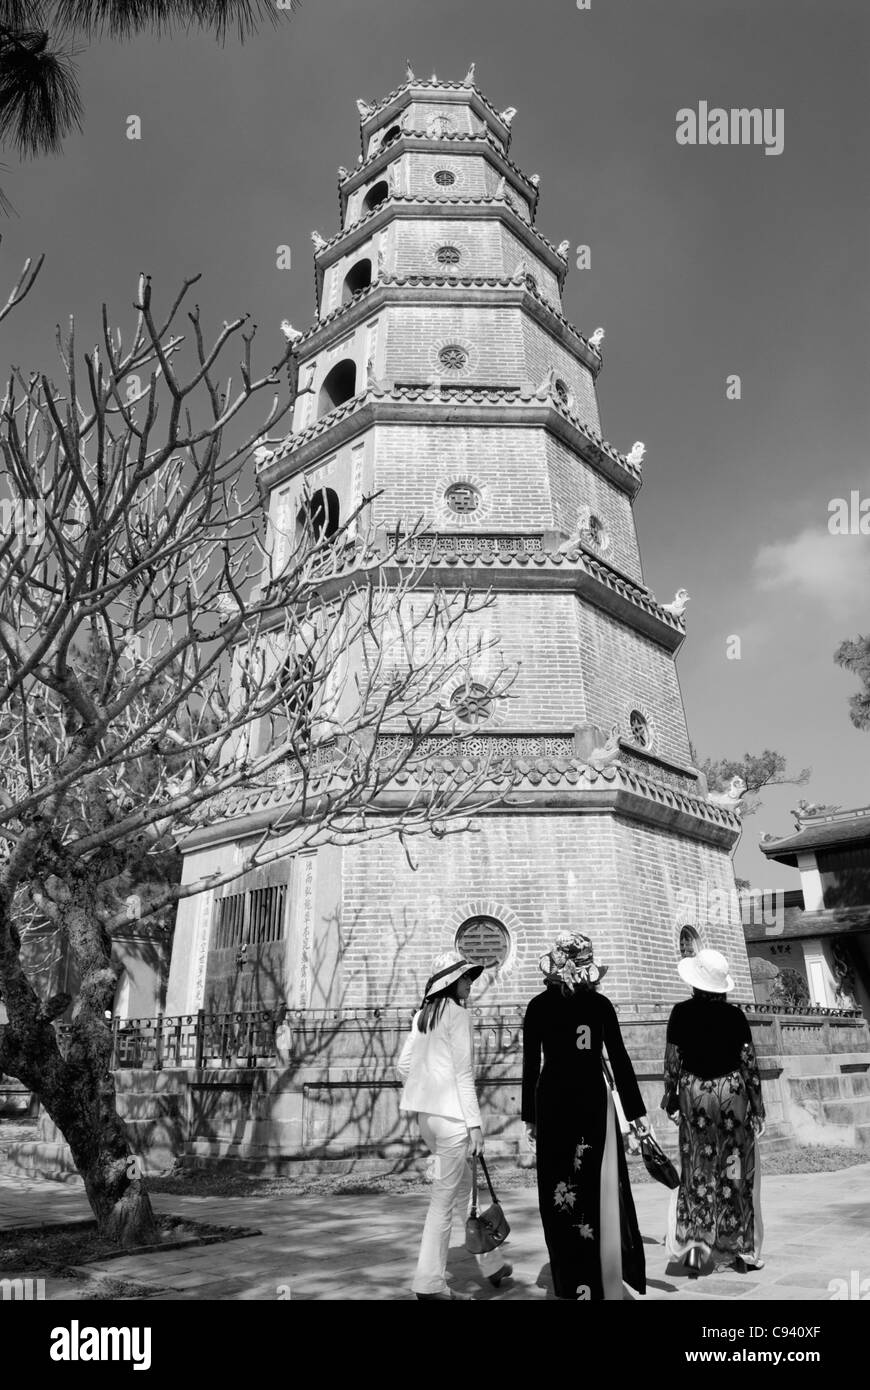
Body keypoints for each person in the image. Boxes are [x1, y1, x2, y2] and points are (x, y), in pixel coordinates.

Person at [521, 931, 650, 1301]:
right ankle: (598, 1273)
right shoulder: (601, 1006)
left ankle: (568, 1277)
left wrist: (529, 1116)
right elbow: (620, 1061)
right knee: (595, 1185)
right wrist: (636, 1112)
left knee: (559, 1188)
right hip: (593, 1102)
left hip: (553, 1105)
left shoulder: (537, 1007)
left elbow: (531, 1065)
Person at [397, 951, 512, 1300]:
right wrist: (475, 1126)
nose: (470, 984)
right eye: (465, 978)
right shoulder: (459, 1015)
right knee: (442, 1204)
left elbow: (402, 1066)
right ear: (449, 981)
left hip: (426, 1118)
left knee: (464, 1192)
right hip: (452, 1121)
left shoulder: (422, 1017)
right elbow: (463, 1075)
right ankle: (429, 1283)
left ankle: (492, 1265)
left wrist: (426, 1088)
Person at [661, 947, 766, 1274]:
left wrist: (671, 1098)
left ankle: (695, 1255)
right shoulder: (735, 1016)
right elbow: (749, 1065)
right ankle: (741, 1252)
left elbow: (672, 1063)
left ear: (694, 981)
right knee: (735, 1169)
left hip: (695, 1094)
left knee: (697, 1172)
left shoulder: (679, 1013)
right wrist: (759, 1107)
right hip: (732, 1096)